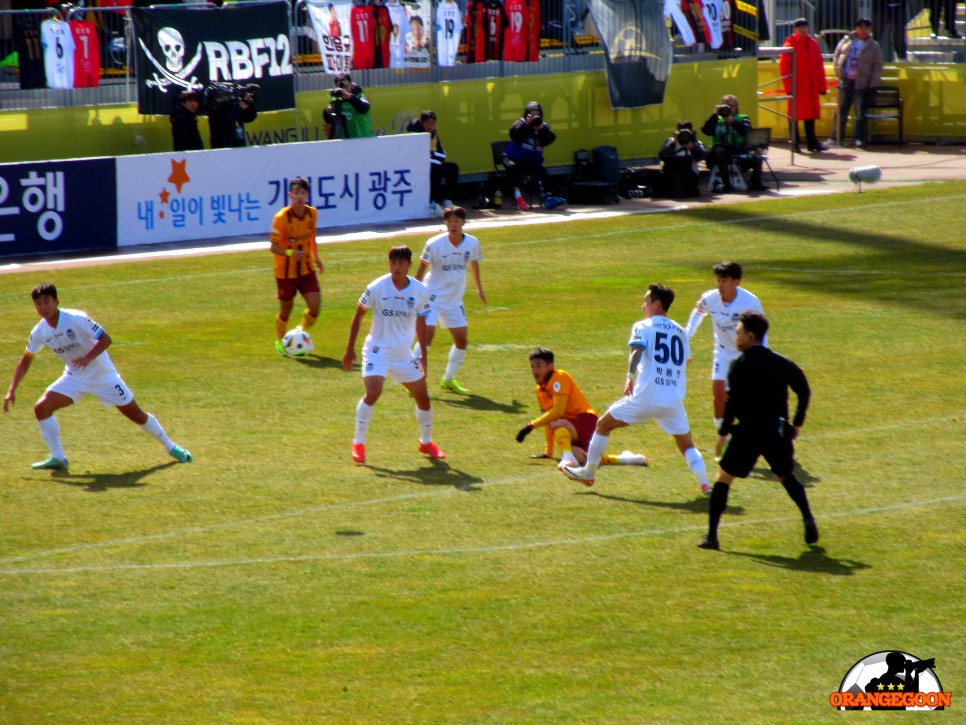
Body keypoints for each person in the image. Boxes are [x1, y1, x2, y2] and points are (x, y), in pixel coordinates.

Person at [3, 282, 192, 471]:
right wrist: (12, 390)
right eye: (38, 304)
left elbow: (106, 339)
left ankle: (171, 447)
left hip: (104, 377)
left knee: (136, 414)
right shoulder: (39, 331)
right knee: (41, 408)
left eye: (46, 302)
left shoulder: (77, 318)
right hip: (74, 377)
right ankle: (58, 458)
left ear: (56, 301)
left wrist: (87, 358)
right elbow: (26, 359)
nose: (43, 307)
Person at [560, 284, 711, 497]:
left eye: (646, 301)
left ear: (657, 304)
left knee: (603, 425)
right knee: (686, 444)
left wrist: (629, 377)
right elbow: (683, 363)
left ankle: (588, 472)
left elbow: (636, 351)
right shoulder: (680, 331)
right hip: (673, 401)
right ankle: (705, 484)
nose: (643, 305)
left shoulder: (643, 326)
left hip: (647, 396)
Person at [698, 312, 816, 550]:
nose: (735, 336)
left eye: (739, 332)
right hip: (776, 431)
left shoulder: (738, 365)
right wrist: (797, 423)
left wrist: (723, 432)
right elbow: (803, 390)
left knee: (723, 479)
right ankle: (808, 517)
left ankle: (712, 537)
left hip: (748, 434)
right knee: (786, 476)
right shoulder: (782, 362)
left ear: (750, 337)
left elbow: (732, 404)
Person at [342, 245, 445, 464]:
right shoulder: (377, 287)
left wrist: (423, 355)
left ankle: (426, 442)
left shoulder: (418, 290)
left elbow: (420, 321)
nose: (397, 268)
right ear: (388, 264)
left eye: (401, 263)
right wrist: (349, 349)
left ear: (409, 265)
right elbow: (358, 315)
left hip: (402, 354)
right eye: (393, 263)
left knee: (423, 398)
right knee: (373, 391)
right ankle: (358, 442)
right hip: (377, 350)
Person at [517, 348, 649, 469]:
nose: (534, 371)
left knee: (556, 422)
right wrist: (548, 451)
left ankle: (567, 457)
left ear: (550, 366)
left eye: (538, 366)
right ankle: (625, 459)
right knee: (583, 459)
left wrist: (530, 426)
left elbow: (558, 412)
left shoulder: (560, 378)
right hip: (571, 428)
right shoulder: (540, 390)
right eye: (532, 367)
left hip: (586, 421)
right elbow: (548, 419)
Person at [684, 261, 764, 460]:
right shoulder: (710, 298)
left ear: (736, 282)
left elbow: (760, 330)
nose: (720, 285)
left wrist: (761, 353)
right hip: (722, 352)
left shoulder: (750, 302)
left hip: (744, 354)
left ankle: (761, 432)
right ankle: (723, 433)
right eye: (718, 280)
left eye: (724, 281)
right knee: (719, 394)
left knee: (749, 399)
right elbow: (698, 312)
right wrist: (687, 335)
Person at [414, 206, 485, 395]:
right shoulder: (434, 244)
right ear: (445, 223)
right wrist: (414, 293)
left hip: (454, 300)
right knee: (426, 337)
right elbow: (421, 268)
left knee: (462, 341)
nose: (453, 224)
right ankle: (412, 380)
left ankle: (448, 380)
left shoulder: (472, 242)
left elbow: (473, 263)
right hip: (432, 297)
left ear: (463, 223)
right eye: (449, 221)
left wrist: (479, 288)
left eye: (457, 221)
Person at [269, 177, 324, 355]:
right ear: (289, 195)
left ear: (307, 195)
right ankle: (280, 341)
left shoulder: (312, 214)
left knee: (315, 304)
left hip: (306, 268)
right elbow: (274, 247)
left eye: (302, 193)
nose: (299, 197)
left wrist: (316, 258)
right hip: (285, 272)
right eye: (296, 193)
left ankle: (300, 331)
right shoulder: (281, 218)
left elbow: (311, 237)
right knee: (286, 309)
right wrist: (291, 253)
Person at [503, 101, 567, 211]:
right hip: (511, 158)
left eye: (536, 114)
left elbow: (550, 139)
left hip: (529, 162)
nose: (534, 117)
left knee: (541, 171)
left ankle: (547, 197)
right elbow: (515, 135)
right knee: (513, 169)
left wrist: (541, 129)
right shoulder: (520, 123)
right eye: (531, 114)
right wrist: (527, 125)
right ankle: (519, 197)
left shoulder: (542, 127)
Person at [780, 19, 829, 153]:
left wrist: (822, 86)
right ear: (794, 29)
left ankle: (812, 142)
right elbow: (784, 69)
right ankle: (794, 143)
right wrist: (789, 88)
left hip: (810, 87)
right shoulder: (789, 45)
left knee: (810, 116)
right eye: (799, 27)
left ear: (808, 28)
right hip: (797, 87)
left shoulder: (813, 44)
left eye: (804, 27)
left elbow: (819, 67)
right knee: (794, 115)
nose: (802, 29)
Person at [833, 18, 884, 148]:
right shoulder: (847, 41)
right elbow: (837, 55)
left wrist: (873, 85)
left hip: (862, 83)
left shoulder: (874, 46)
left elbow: (877, 67)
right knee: (841, 111)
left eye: (866, 28)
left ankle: (858, 138)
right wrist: (838, 71)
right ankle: (836, 137)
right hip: (846, 80)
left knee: (859, 112)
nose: (863, 30)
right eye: (861, 27)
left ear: (870, 30)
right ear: (856, 28)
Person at [700, 94, 765, 193]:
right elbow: (706, 131)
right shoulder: (717, 119)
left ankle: (756, 183)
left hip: (738, 151)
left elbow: (747, 131)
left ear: (736, 107)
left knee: (756, 151)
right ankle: (726, 185)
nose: (729, 108)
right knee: (720, 150)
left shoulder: (742, 118)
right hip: (718, 153)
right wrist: (714, 115)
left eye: (731, 106)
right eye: (726, 105)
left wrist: (733, 122)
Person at [407, 110, 459, 217]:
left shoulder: (435, 134)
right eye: (427, 123)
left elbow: (443, 155)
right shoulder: (415, 135)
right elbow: (418, 155)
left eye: (433, 124)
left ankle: (447, 202)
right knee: (436, 169)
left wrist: (432, 154)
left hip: (434, 164)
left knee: (453, 167)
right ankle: (432, 204)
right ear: (422, 123)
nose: (430, 127)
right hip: (418, 167)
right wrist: (432, 156)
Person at [657, 120, 707, 197]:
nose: (684, 136)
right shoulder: (670, 141)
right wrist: (674, 143)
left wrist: (692, 147)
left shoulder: (696, 143)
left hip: (690, 175)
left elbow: (701, 156)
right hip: (672, 173)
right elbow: (661, 155)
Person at [324, 72, 372, 140]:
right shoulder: (337, 101)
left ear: (351, 85)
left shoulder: (360, 97)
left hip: (362, 141)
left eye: (345, 85)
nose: (343, 89)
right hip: (344, 144)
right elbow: (328, 120)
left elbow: (364, 108)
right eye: (340, 86)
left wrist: (349, 97)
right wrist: (327, 111)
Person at [207, 84, 257, 149]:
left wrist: (250, 104)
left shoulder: (234, 107)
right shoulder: (214, 111)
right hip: (221, 150)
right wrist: (241, 108)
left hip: (239, 148)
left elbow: (249, 117)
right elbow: (226, 121)